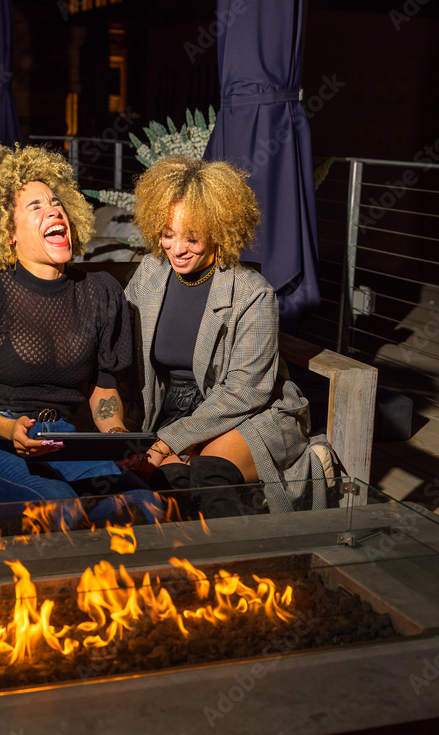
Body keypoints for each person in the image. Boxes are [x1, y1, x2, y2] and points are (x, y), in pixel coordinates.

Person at [0, 143, 158, 527]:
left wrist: (117, 437)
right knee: (62, 509)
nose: (54, 210)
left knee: (145, 506)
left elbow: (103, 391)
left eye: (56, 202)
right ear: (7, 233)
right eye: (35, 207)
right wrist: (10, 429)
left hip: (64, 439)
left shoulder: (99, 291)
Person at [125, 155, 329, 517]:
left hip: (247, 411)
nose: (176, 249)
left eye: (192, 237)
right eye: (167, 234)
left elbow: (246, 390)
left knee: (210, 477)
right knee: (170, 486)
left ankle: (243, 563)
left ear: (220, 230)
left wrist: (168, 441)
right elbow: (120, 340)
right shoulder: (150, 273)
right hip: (171, 409)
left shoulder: (253, 292)